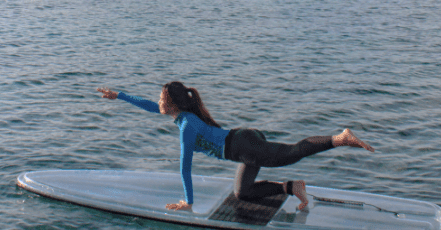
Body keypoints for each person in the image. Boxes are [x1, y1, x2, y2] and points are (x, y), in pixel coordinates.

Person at [97, 82, 374, 212]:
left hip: (244, 147)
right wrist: (119, 96)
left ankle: (340, 138)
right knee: (242, 192)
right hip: (242, 142)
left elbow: (185, 166)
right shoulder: (182, 115)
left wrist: (188, 202)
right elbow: (148, 106)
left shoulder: (186, 126)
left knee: (292, 153)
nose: (156, 102)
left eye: (160, 98)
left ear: (172, 105)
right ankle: (292, 188)